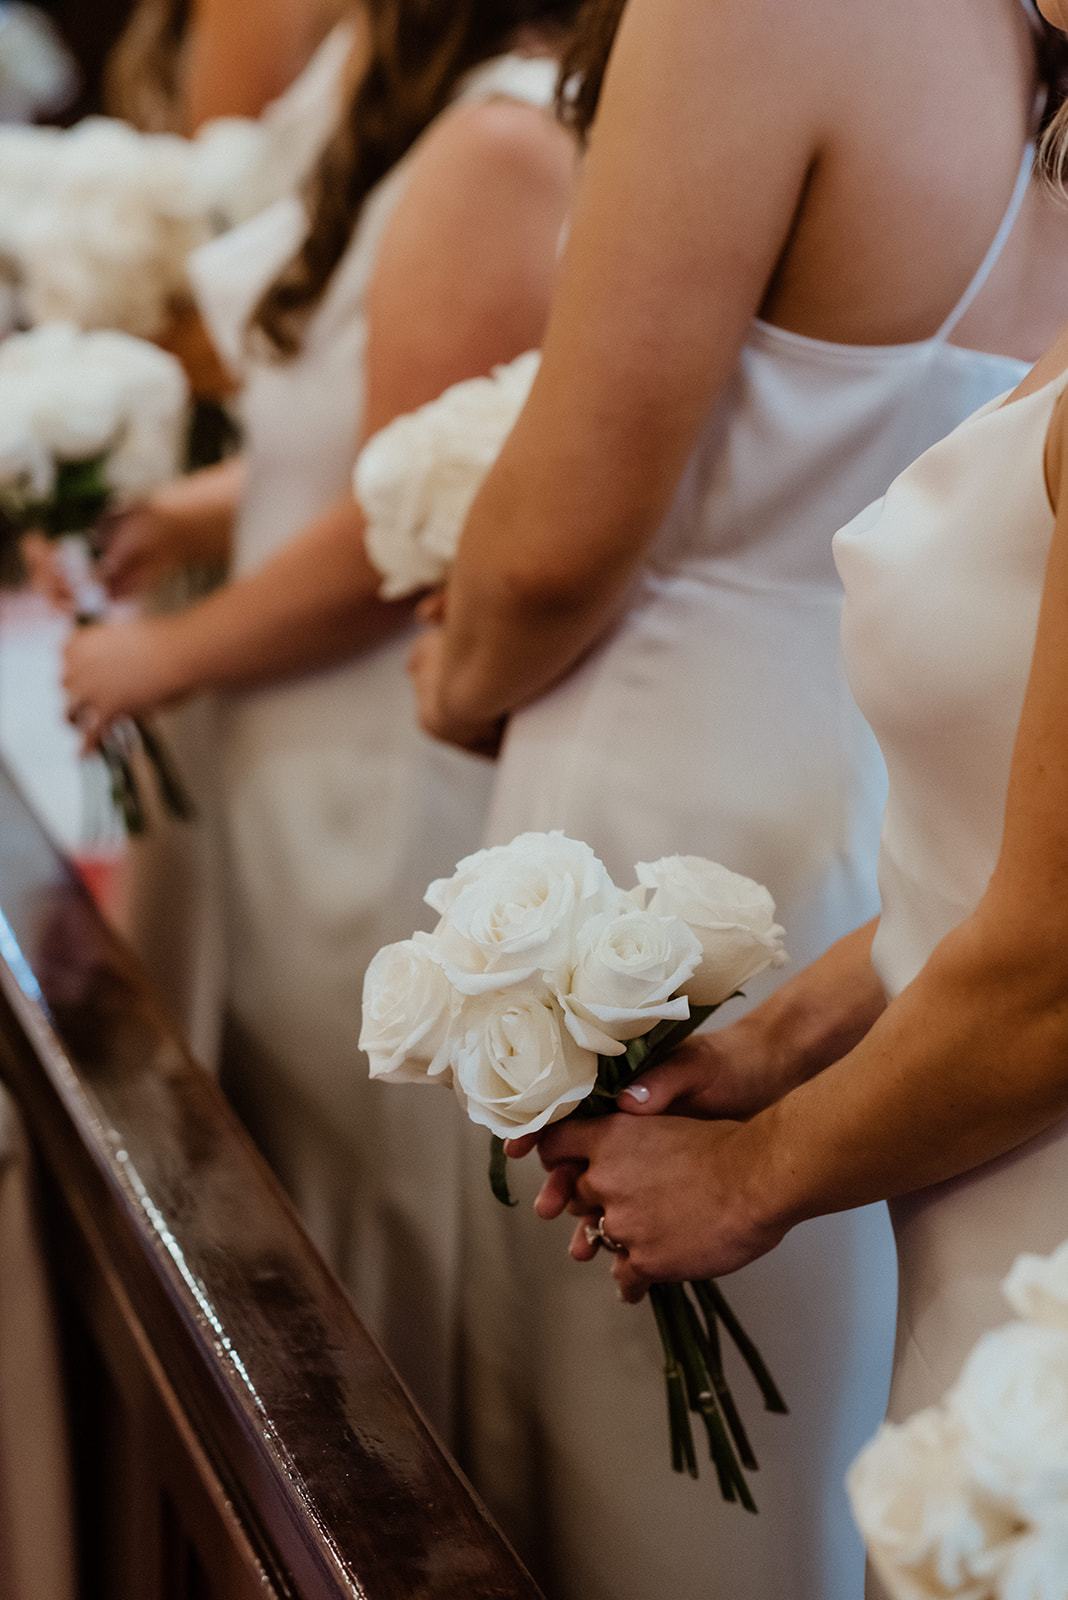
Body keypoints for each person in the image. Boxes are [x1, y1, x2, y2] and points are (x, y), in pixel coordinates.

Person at [407, 0, 1068, 1596]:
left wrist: (448, 679)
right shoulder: (995, 70)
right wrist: (771, 1042)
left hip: (683, 773)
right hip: (883, 866)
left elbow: (565, 527)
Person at [61, 0, 579, 1435]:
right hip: (293, 743)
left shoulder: (499, 143)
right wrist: (201, 510)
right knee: (281, 1169)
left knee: (351, 1218)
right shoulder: (425, 113)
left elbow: (389, 528)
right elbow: (376, 432)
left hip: (362, 757)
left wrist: (166, 659)